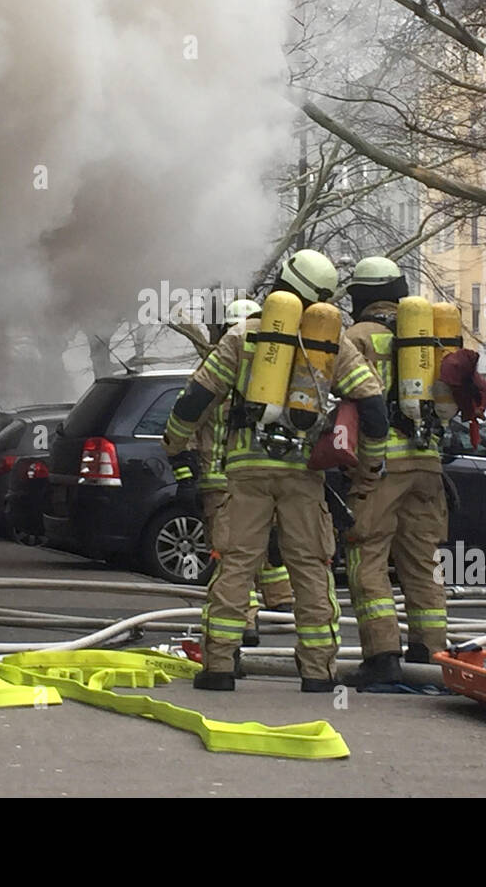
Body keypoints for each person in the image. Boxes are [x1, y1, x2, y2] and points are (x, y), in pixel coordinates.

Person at [163, 249, 388, 691]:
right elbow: (373, 406)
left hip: (246, 472)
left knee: (236, 564)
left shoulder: (244, 335)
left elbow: (195, 399)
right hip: (303, 474)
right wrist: (370, 467)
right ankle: (318, 673)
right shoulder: (332, 344)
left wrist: (174, 445)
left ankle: (219, 668)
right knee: (311, 568)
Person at [339, 257, 452, 690]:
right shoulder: (427, 338)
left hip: (382, 466)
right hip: (428, 464)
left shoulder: (357, 337)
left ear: (361, 297)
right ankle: (431, 661)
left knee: (367, 555)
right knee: (424, 563)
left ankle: (382, 658)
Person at [189, 298, 294, 651]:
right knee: (263, 542)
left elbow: (189, 415)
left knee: (232, 553)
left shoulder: (216, 369)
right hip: (262, 474)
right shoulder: (271, 375)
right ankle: (281, 599)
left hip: (219, 478)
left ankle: (245, 620)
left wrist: (183, 465)